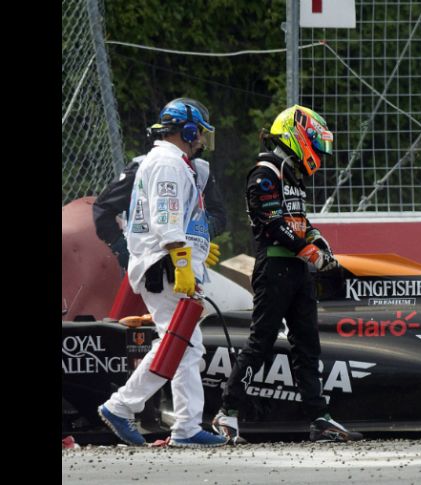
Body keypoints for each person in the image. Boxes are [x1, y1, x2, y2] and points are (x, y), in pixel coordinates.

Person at [211, 105, 363, 443]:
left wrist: (315, 236)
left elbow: (295, 220)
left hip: (297, 270)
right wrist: (310, 251)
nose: (319, 155)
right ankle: (228, 413)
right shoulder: (264, 171)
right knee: (261, 343)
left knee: (308, 345)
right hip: (275, 268)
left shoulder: (292, 174)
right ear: (297, 137)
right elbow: (272, 222)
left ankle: (319, 418)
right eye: (316, 145)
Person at [97, 98, 228, 448]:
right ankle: (122, 406)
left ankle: (185, 426)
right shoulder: (168, 163)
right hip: (167, 264)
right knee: (178, 342)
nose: (201, 139)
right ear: (186, 130)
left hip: (167, 262)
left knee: (184, 346)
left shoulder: (168, 162)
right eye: (199, 132)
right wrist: (182, 262)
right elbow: (167, 217)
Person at [93, 98, 227, 271]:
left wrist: (198, 239)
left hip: (183, 258)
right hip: (151, 260)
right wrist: (123, 250)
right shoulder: (146, 167)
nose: (202, 141)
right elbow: (102, 210)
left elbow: (219, 215)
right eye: (200, 133)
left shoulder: (201, 171)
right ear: (189, 132)